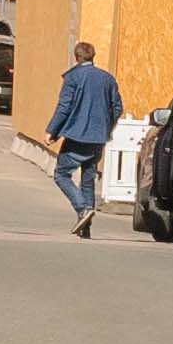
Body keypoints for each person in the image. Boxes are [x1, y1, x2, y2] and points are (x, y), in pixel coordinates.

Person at [45, 42, 122, 237]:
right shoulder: (107, 79)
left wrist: (52, 131)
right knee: (88, 180)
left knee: (62, 174)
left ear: (76, 57)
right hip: (98, 137)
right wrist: (107, 128)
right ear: (92, 56)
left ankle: (82, 209)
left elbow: (65, 107)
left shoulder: (73, 77)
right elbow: (117, 108)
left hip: (77, 135)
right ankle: (85, 227)